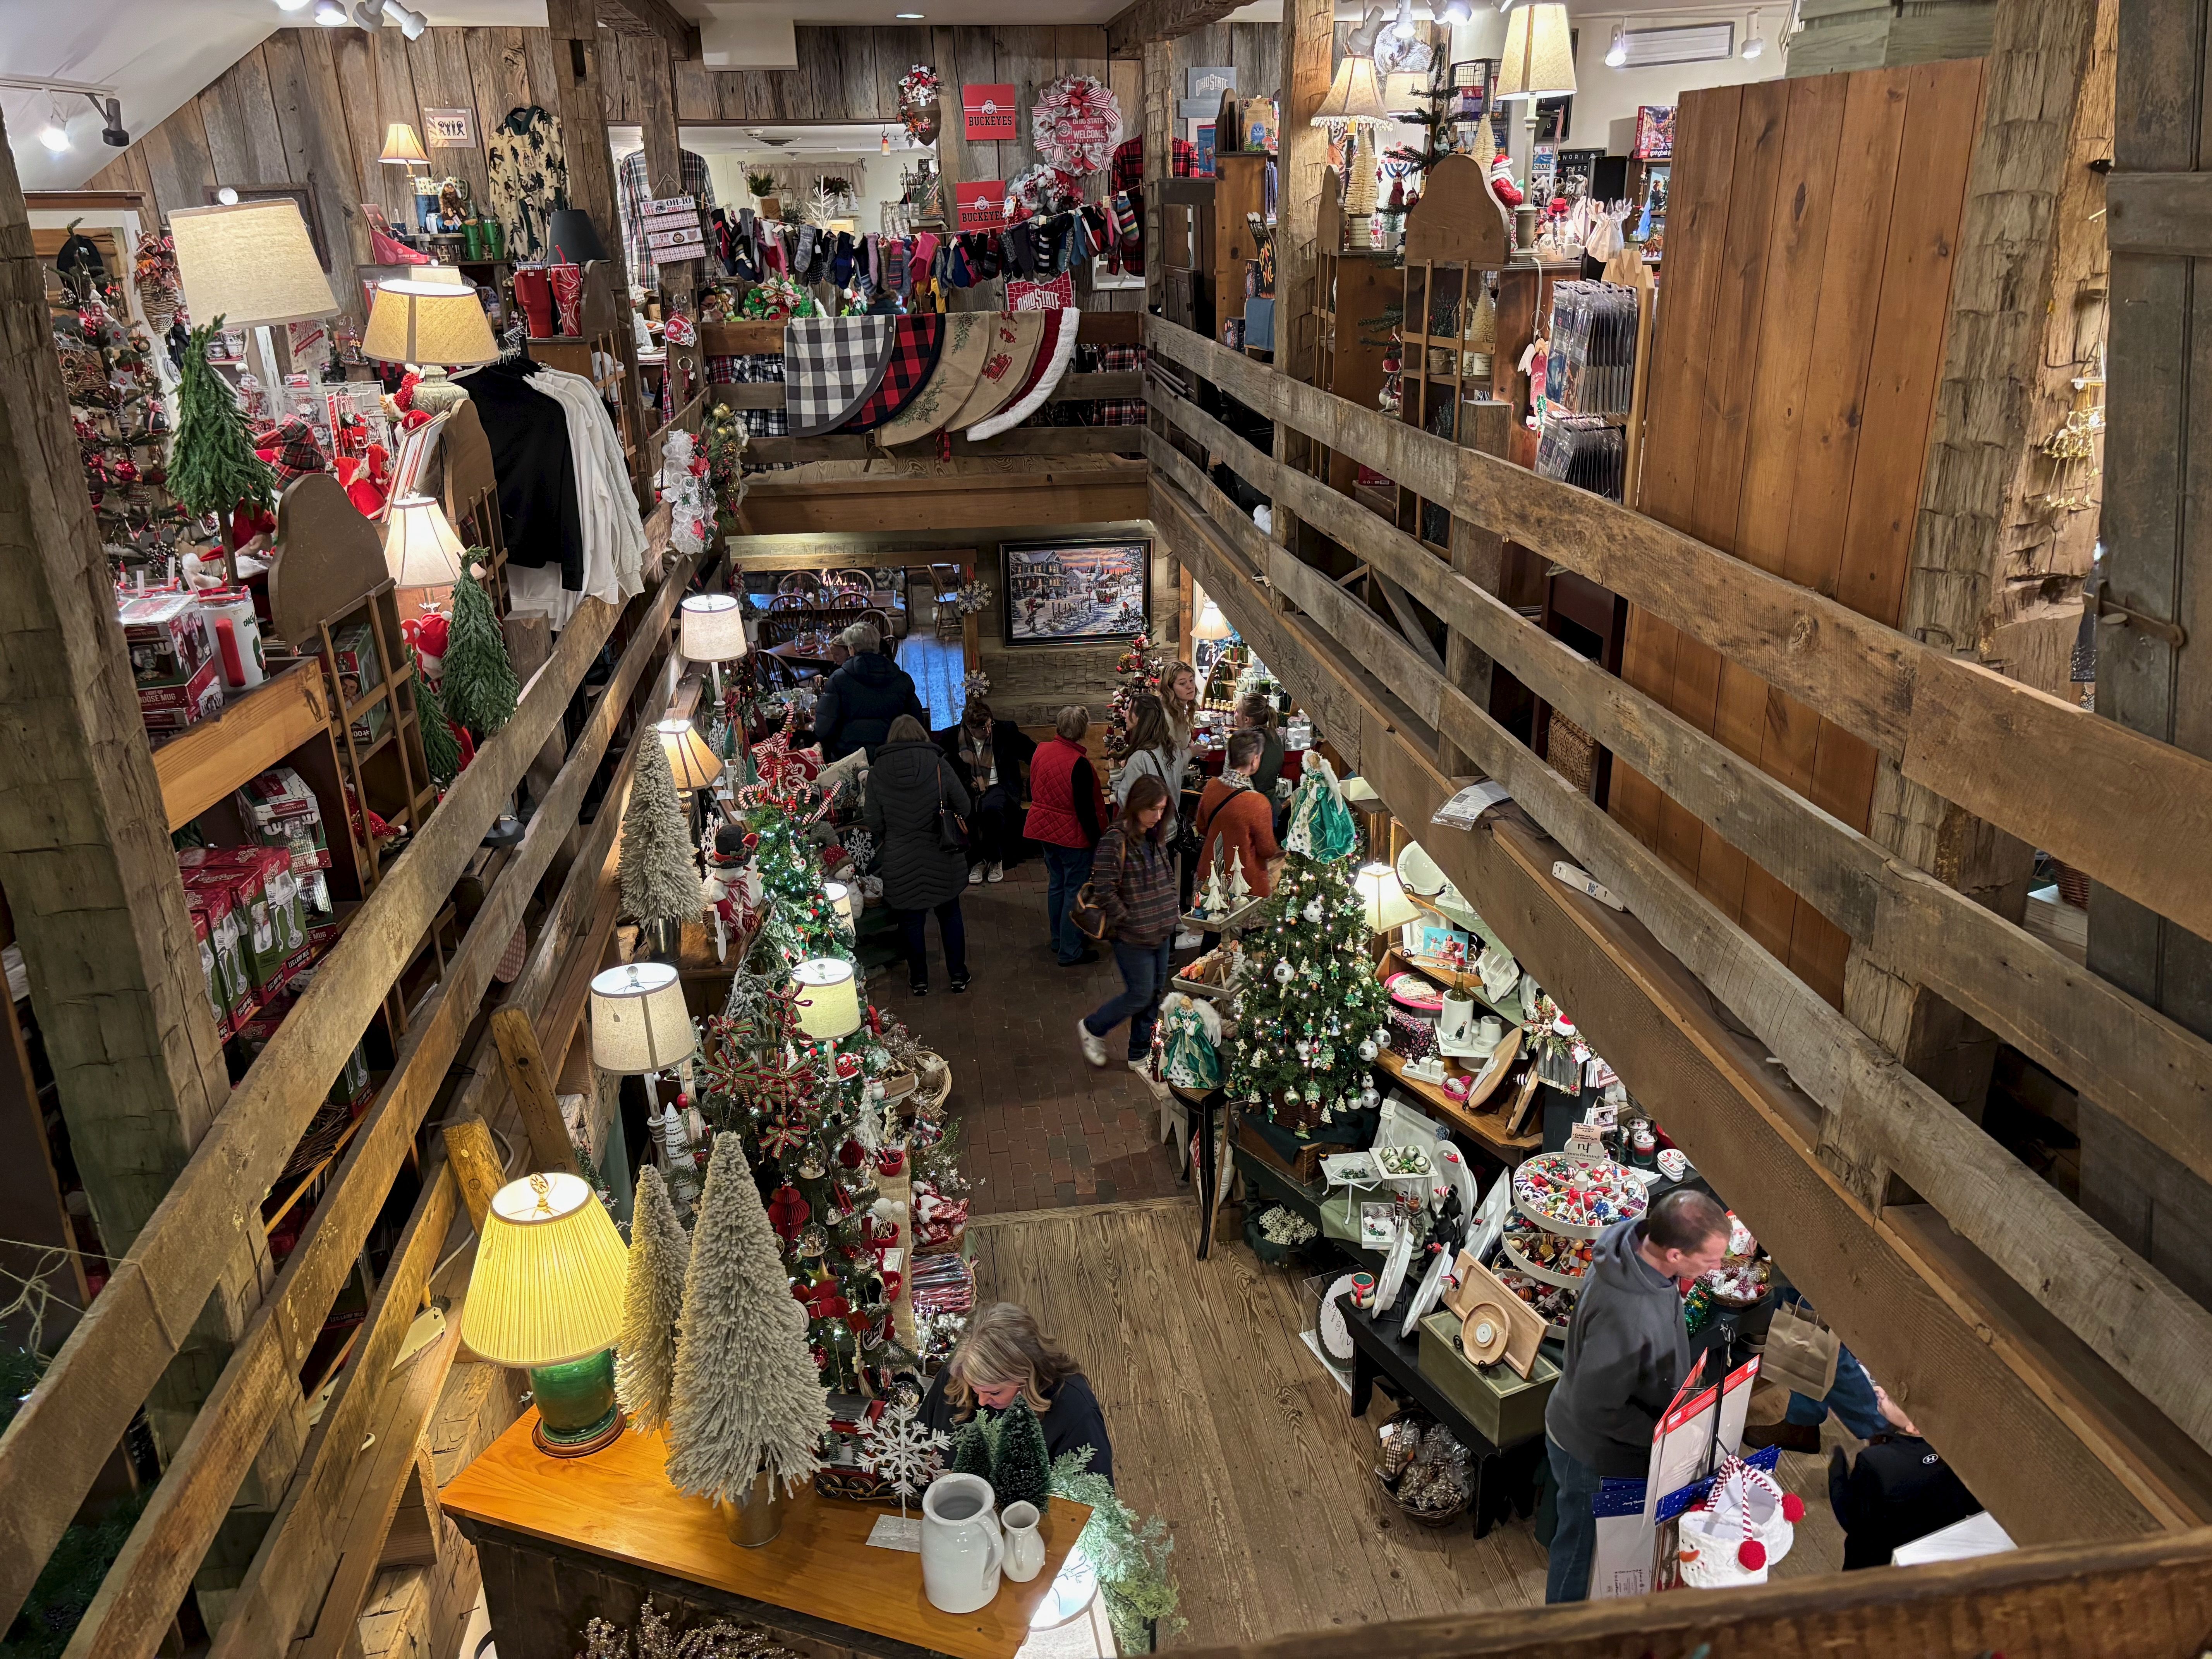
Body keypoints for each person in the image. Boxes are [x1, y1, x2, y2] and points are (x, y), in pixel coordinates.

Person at [1543, 1188, 1731, 1604]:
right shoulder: (1626, 1314)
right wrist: (1666, 1435)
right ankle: (1558, 1635)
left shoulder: (1634, 1245)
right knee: (1578, 1552)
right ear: (1676, 1257)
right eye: (1711, 1259)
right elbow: (1595, 1408)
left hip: (1603, 1430)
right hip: (1592, 1453)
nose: (1718, 1268)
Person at [919, 1302, 1114, 1484]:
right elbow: (919, 1438)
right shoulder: (963, 1372)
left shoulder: (1075, 1411)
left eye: (995, 1392)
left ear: (1026, 1375)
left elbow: (1093, 1499)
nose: (982, 1401)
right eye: (974, 1389)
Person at [1075, 773, 1180, 1076]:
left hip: (1160, 930)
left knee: (1154, 994)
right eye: (1154, 809)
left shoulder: (1154, 835)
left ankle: (1139, 1054)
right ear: (1136, 805)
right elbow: (1104, 889)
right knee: (1139, 993)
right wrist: (1129, 919)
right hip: (1134, 936)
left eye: (1163, 809)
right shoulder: (1115, 839)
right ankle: (1093, 1027)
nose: (1158, 816)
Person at [862, 714, 971, 996]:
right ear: (922, 735)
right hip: (943, 854)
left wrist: (896, 830)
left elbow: (873, 821)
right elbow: (965, 806)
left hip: (901, 859)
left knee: (911, 921)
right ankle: (958, 976)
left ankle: (919, 980)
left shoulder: (877, 772)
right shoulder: (938, 764)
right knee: (950, 914)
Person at [1827, 1384, 1981, 1570]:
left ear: (1915, 1427)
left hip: (1875, 1558)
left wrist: (1836, 1470)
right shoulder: (1966, 1451)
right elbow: (1974, 1505)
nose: (1880, 1391)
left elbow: (1852, 1519)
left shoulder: (1875, 1461)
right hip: (1932, 1553)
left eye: (1894, 1399)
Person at [1025, 705, 1109, 968]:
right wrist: (1098, 841)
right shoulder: (1079, 764)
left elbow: (1033, 788)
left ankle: (1058, 939)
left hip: (1043, 829)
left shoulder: (1040, 751)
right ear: (1083, 731)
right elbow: (1086, 811)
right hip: (1072, 835)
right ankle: (1070, 950)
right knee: (1075, 891)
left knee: (1057, 886)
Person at [935, 697, 1036, 886]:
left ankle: (995, 859)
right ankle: (977, 862)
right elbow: (937, 759)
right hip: (968, 787)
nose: (988, 731)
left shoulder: (1004, 731)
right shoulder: (952, 738)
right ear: (970, 728)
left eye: (990, 725)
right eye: (982, 728)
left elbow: (1031, 751)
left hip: (999, 785)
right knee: (967, 810)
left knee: (991, 809)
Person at [812, 622, 925, 761]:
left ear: (851, 649)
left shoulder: (838, 680)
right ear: (877, 646)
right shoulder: (902, 679)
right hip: (894, 755)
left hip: (849, 758)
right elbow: (916, 722)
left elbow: (824, 729)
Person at [1194, 729, 1282, 902]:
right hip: (1245, 882)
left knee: (1213, 923)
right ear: (1255, 760)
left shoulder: (1212, 787)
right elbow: (1267, 850)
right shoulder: (1258, 802)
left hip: (1211, 874)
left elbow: (1202, 826)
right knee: (1248, 927)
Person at [1114, 697, 1184, 843]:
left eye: (1129, 710)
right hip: (1171, 829)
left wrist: (1116, 780)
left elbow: (1127, 802)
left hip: (1150, 836)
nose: (1125, 714)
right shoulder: (1172, 749)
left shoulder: (1139, 759)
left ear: (1140, 719)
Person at [1235, 691, 1288, 792]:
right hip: (1272, 800)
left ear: (1247, 720)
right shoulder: (1274, 736)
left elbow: (1232, 780)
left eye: (1237, 711)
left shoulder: (1241, 742)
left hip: (1252, 802)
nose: (1234, 712)